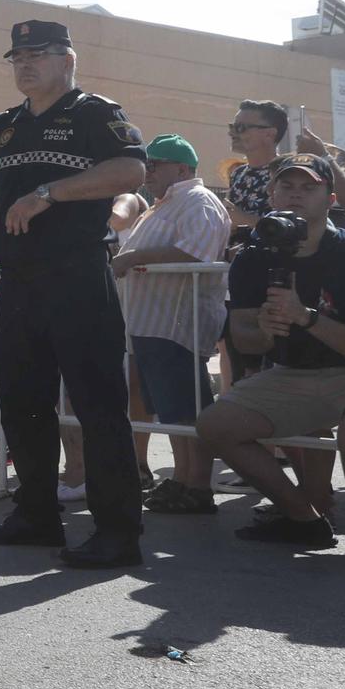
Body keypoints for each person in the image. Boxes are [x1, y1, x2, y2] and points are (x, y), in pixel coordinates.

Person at [0, 19, 149, 568]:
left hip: (76, 276)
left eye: (38, 54)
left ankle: (117, 532)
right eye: (17, 56)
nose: (25, 64)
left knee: (98, 405)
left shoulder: (96, 115)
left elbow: (131, 172)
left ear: (68, 59)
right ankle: (36, 515)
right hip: (20, 282)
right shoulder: (3, 128)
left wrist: (50, 193)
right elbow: (1, 199)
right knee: (23, 404)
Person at [197, 153, 345, 567]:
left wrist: (306, 318)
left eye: (308, 188)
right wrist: (267, 329)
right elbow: (245, 341)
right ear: (271, 195)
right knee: (214, 425)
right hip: (297, 375)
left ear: (330, 199)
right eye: (287, 186)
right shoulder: (254, 256)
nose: (296, 195)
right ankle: (302, 517)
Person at [111, 135, 231, 515]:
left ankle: (196, 486)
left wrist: (133, 258)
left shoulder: (197, 201)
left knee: (186, 410)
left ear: (183, 169)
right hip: (152, 322)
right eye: (147, 164)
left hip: (176, 323)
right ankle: (183, 480)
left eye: (156, 164)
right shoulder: (167, 204)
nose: (147, 172)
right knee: (173, 411)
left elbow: (196, 253)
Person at [226, 100, 289, 230]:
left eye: (240, 128)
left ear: (269, 134)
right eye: (232, 126)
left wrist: (243, 219)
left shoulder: (287, 173)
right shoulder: (237, 173)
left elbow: (291, 226)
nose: (231, 133)